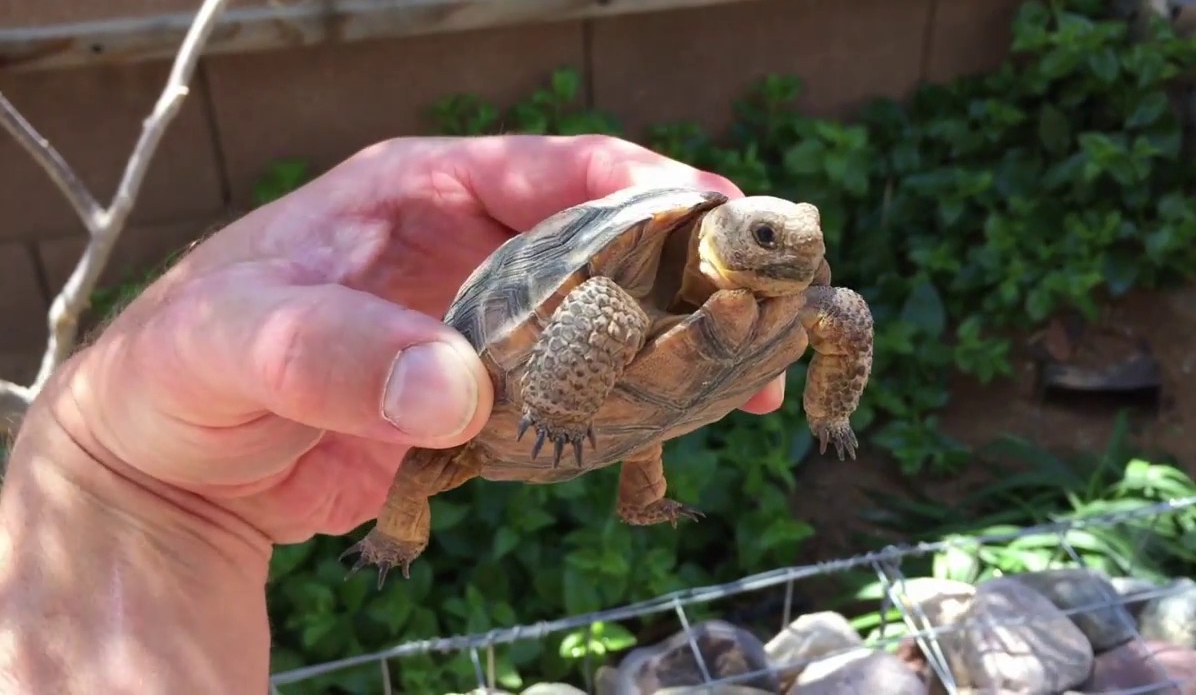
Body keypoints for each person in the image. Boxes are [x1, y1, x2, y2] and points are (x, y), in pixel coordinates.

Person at [0, 134, 786, 694]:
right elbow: (601, 306)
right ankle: (395, 537)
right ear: (721, 230)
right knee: (462, 436)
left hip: (644, 420)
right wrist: (111, 493)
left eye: (801, 241)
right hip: (526, 392)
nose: (796, 250)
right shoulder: (623, 274)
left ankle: (641, 494)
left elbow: (839, 316)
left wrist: (113, 495)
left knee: (652, 426)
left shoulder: (790, 296)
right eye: (766, 233)